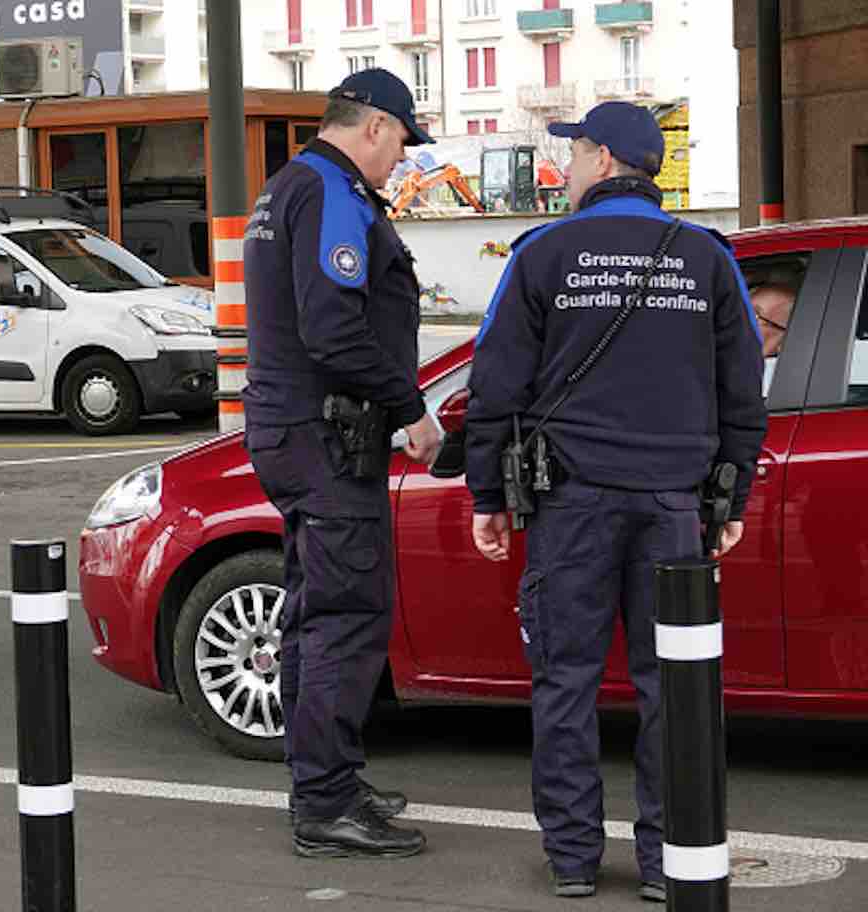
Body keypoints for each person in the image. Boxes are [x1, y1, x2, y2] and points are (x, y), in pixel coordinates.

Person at [463, 101, 767, 901]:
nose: (564, 169)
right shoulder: (707, 258)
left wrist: (488, 493)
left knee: (565, 678)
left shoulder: (542, 253)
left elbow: (496, 383)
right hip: (676, 508)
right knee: (672, 683)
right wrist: (735, 491)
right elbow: (743, 387)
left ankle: (571, 858)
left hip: (570, 505)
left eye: (572, 154)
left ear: (602, 158)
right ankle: (670, 859)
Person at [241, 67, 442, 859]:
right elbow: (334, 330)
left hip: (296, 433)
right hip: (326, 441)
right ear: (374, 128)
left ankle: (325, 778)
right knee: (344, 622)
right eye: (401, 143)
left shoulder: (287, 187)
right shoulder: (330, 193)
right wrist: (411, 408)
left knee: (313, 617)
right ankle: (325, 804)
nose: (402, 160)